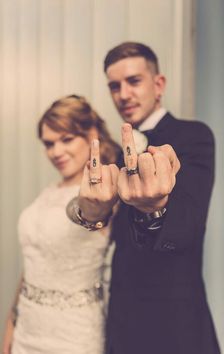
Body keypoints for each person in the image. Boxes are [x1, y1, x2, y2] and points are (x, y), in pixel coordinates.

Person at [67, 42, 221, 354]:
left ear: (158, 84)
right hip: (121, 316)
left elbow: (190, 223)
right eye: (114, 86)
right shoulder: (109, 152)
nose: (123, 94)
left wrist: (155, 209)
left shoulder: (193, 136)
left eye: (133, 81)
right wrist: (88, 210)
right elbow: (81, 206)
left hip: (175, 321)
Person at [2, 94, 121, 354]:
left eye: (66, 139)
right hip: (27, 330)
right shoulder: (48, 191)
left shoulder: (104, 191)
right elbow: (33, 263)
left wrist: (92, 209)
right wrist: (11, 326)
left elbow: (88, 211)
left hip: (74, 336)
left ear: (91, 135)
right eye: (49, 143)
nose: (56, 152)